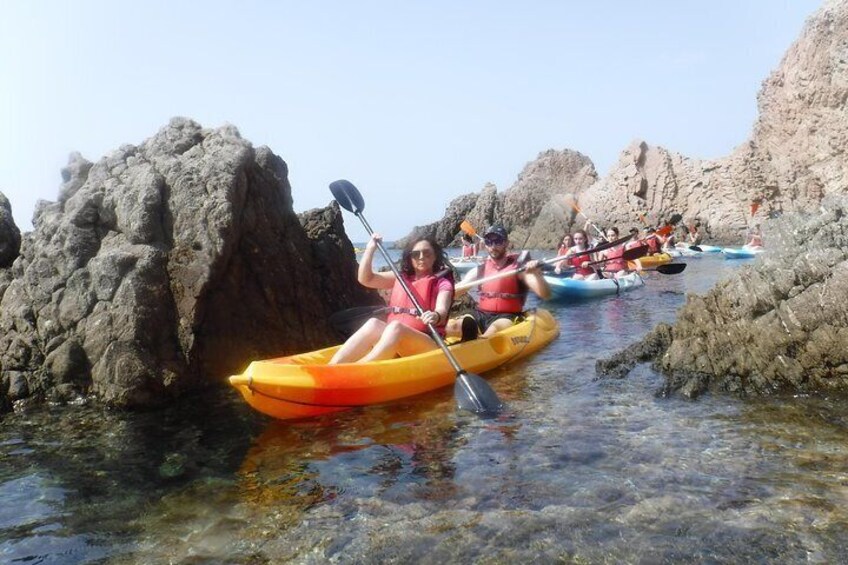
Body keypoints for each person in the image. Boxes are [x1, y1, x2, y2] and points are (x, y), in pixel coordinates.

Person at [329, 234, 454, 364]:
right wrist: (370, 249)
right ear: (410, 257)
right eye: (416, 254)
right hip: (399, 341)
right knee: (374, 324)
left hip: (429, 343)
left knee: (396, 327)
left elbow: (442, 310)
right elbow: (366, 279)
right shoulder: (401, 278)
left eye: (427, 253)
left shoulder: (442, 283)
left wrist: (435, 315)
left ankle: (358, 369)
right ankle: (333, 366)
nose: (421, 257)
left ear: (435, 256)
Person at [447, 225, 550, 339]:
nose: (493, 246)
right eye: (489, 242)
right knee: (454, 325)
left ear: (506, 243)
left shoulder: (518, 268)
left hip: (506, 316)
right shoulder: (480, 269)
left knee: (494, 329)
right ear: (485, 244)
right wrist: (441, 294)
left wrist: (536, 274)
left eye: (498, 241)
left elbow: (544, 294)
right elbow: (461, 287)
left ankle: (478, 342)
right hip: (481, 314)